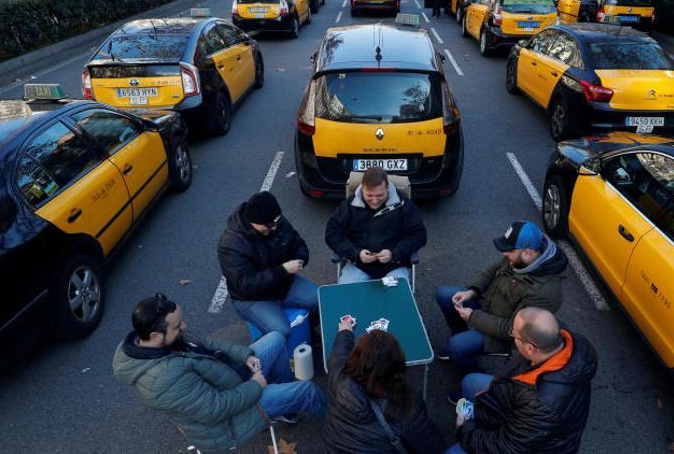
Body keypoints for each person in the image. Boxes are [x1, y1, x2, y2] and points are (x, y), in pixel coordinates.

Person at [112, 293, 327, 453]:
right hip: (230, 422)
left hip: (231, 379)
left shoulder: (167, 338)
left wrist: (244, 355)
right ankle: (342, 426)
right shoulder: (162, 380)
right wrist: (256, 386)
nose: (185, 327)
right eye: (178, 326)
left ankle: (283, 409)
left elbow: (208, 343)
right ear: (156, 336)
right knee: (306, 390)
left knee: (277, 340)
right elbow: (217, 409)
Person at [445, 308, 597, 454]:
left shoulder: (541, 407)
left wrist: (465, 429)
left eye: (514, 333)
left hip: (528, 443)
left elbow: (504, 448)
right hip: (518, 405)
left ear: (530, 348)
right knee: (470, 381)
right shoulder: (559, 341)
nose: (511, 335)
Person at [435, 220, 567, 377]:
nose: (504, 254)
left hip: (504, 335)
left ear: (528, 253)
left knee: (457, 346)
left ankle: (472, 380)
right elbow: (493, 271)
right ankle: (460, 337)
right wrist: (472, 291)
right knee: (444, 295)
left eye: (509, 251)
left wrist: (473, 317)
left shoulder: (545, 293)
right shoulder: (519, 257)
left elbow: (512, 330)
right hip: (487, 307)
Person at [323, 320, 446, 453]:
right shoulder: (407, 406)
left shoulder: (339, 377)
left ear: (355, 359)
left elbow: (338, 355)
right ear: (397, 365)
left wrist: (345, 333)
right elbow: (433, 448)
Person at [218, 191, 318, 338]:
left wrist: (301, 258)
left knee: (322, 300)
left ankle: (309, 335)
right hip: (252, 298)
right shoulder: (231, 244)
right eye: (269, 225)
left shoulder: (274, 221)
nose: (275, 228)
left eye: (276, 223)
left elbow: (297, 242)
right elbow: (245, 284)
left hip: (283, 285)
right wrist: (283, 271)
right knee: (282, 331)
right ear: (254, 222)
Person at [325, 167, 427, 284]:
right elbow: (332, 234)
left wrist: (394, 253)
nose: (374, 201)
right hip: (359, 265)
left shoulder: (403, 204)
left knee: (396, 299)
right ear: (362, 189)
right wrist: (356, 253)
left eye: (379, 195)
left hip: (395, 265)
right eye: (369, 195)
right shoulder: (349, 205)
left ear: (387, 188)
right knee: (347, 297)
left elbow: (419, 235)